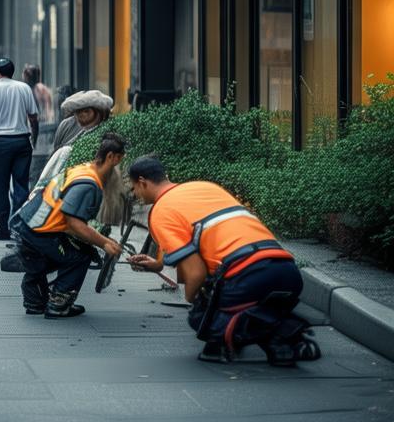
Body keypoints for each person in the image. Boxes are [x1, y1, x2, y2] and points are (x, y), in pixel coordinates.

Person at [127, 157, 320, 365]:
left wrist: (194, 300)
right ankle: (280, 347)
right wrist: (157, 265)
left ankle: (286, 331)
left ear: (142, 182)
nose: (135, 195)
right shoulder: (203, 187)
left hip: (247, 274)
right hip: (287, 271)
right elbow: (209, 236)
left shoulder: (161, 211)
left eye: (133, 189)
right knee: (249, 307)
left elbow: (195, 272)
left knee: (200, 318)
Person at [16, 133, 126, 318]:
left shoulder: (84, 169)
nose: (120, 168)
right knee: (81, 256)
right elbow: (73, 223)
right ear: (111, 157)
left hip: (29, 224)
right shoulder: (88, 184)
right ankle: (58, 304)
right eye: (120, 161)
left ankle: (35, 302)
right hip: (39, 232)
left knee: (65, 252)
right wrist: (104, 243)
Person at [0, 57, 39, 240]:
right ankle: (19, 228)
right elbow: (33, 118)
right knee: (21, 185)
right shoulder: (24, 88)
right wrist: (33, 139)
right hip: (21, 142)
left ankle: (3, 228)